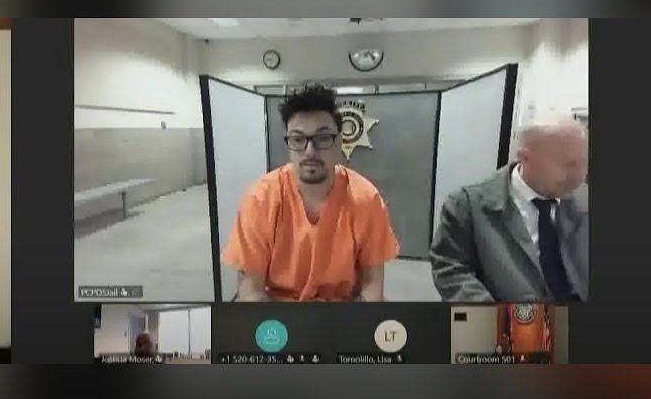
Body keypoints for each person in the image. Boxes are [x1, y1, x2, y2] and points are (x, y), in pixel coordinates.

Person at [223, 83, 400, 301]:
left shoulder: (366, 199)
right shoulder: (260, 200)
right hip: (279, 310)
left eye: (322, 138)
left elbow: (372, 284)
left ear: (339, 141)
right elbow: (251, 290)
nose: (310, 151)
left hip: (345, 308)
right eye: (298, 139)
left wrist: (352, 319)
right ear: (288, 144)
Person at [430, 113, 588, 302]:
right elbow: (452, 270)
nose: (579, 175)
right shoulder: (467, 206)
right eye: (569, 164)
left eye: (584, 162)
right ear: (525, 158)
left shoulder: (583, 202)